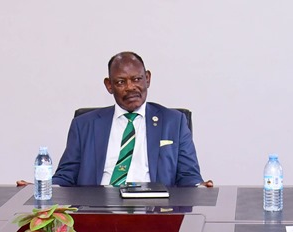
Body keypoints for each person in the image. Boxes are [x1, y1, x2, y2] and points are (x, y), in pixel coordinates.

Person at [53, 52, 209, 187]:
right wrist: (44, 188)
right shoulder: (84, 124)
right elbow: (65, 177)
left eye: (137, 79)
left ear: (147, 78)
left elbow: (188, 176)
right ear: (109, 85)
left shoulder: (174, 122)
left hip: (154, 207)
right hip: (97, 206)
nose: (130, 87)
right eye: (121, 82)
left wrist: (199, 187)